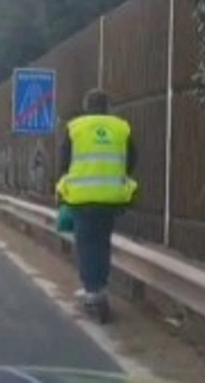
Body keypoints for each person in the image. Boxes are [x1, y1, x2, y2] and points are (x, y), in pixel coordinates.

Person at [55, 89, 137, 308]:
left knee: (86, 243)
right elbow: (131, 159)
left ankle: (92, 289)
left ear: (86, 107)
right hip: (111, 197)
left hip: (82, 197)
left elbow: (63, 163)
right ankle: (100, 285)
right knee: (102, 241)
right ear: (108, 106)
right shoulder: (120, 128)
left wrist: (63, 189)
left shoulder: (75, 128)